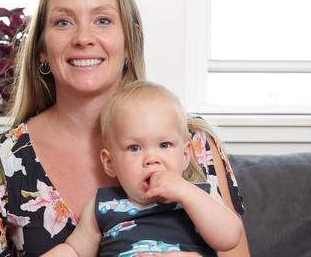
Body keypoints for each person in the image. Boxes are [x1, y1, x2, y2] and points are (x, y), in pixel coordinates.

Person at [0, 0, 249, 257]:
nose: (83, 39)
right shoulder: (0, 161)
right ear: (41, 51)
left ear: (131, 41)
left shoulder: (193, 141)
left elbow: (229, 240)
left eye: (102, 20)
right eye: (63, 22)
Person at [42, 80, 243, 257]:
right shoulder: (104, 205)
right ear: (109, 163)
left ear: (185, 155)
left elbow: (229, 237)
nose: (151, 159)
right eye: (134, 148)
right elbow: (74, 251)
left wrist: (185, 191)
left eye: (164, 145)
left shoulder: (200, 196)